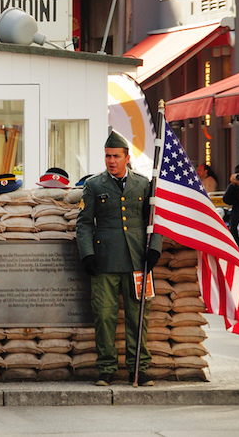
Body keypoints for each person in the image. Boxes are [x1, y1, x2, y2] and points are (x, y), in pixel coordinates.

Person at [76, 131, 162, 387]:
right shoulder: (94, 185)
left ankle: (139, 369)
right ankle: (106, 369)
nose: (111, 160)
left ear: (126, 157)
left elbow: (154, 219)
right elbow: (83, 224)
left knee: (139, 317)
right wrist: (88, 255)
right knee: (104, 316)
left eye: (115, 156)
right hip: (104, 262)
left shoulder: (144, 184)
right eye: (107, 156)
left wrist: (154, 249)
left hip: (138, 262)